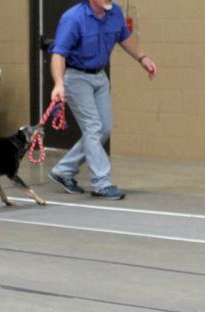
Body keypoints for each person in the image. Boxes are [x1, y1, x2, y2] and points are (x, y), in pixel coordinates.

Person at [48, 0, 157, 200]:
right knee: (93, 127)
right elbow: (58, 54)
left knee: (104, 128)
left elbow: (124, 36)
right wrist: (59, 83)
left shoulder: (114, 12)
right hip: (76, 77)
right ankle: (101, 182)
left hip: (99, 76)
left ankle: (63, 170)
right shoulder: (73, 18)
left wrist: (143, 58)